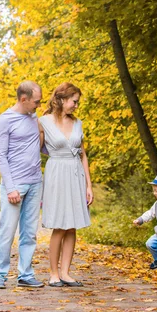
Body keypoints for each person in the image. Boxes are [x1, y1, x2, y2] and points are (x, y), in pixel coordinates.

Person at [0, 81, 45, 289]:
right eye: (36, 101)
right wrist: (11, 187)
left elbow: (40, 143)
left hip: (34, 183)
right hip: (15, 185)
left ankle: (25, 274)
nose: (38, 105)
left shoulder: (33, 117)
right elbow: (1, 156)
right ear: (24, 99)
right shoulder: (4, 121)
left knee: (30, 232)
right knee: (7, 230)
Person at [38, 82, 93, 288]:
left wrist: (88, 185)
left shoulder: (78, 123)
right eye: (74, 101)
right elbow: (36, 149)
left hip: (75, 173)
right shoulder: (43, 122)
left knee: (72, 226)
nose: (76, 106)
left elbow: (83, 154)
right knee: (60, 225)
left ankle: (66, 273)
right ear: (61, 100)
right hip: (57, 173)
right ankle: (53, 273)